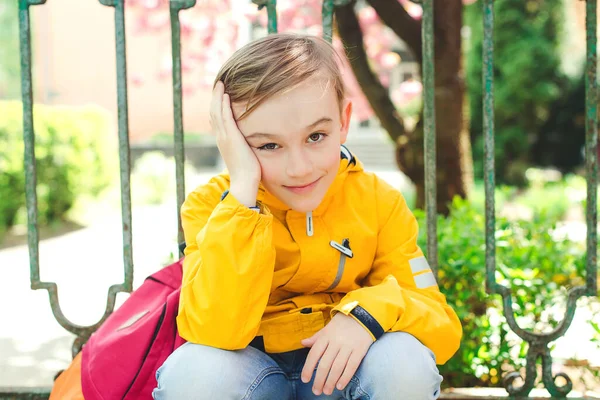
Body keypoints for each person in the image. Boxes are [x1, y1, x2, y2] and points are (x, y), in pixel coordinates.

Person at [152, 33, 462, 400]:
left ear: (344, 120)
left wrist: (367, 316)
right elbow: (215, 330)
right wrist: (243, 194)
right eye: (268, 145)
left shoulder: (378, 201)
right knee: (193, 373)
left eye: (316, 136)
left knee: (405, 362)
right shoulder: (211, 206)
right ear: (231, 140)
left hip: (342, 373)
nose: (299, 168)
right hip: (253, 376)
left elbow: (441, 327)